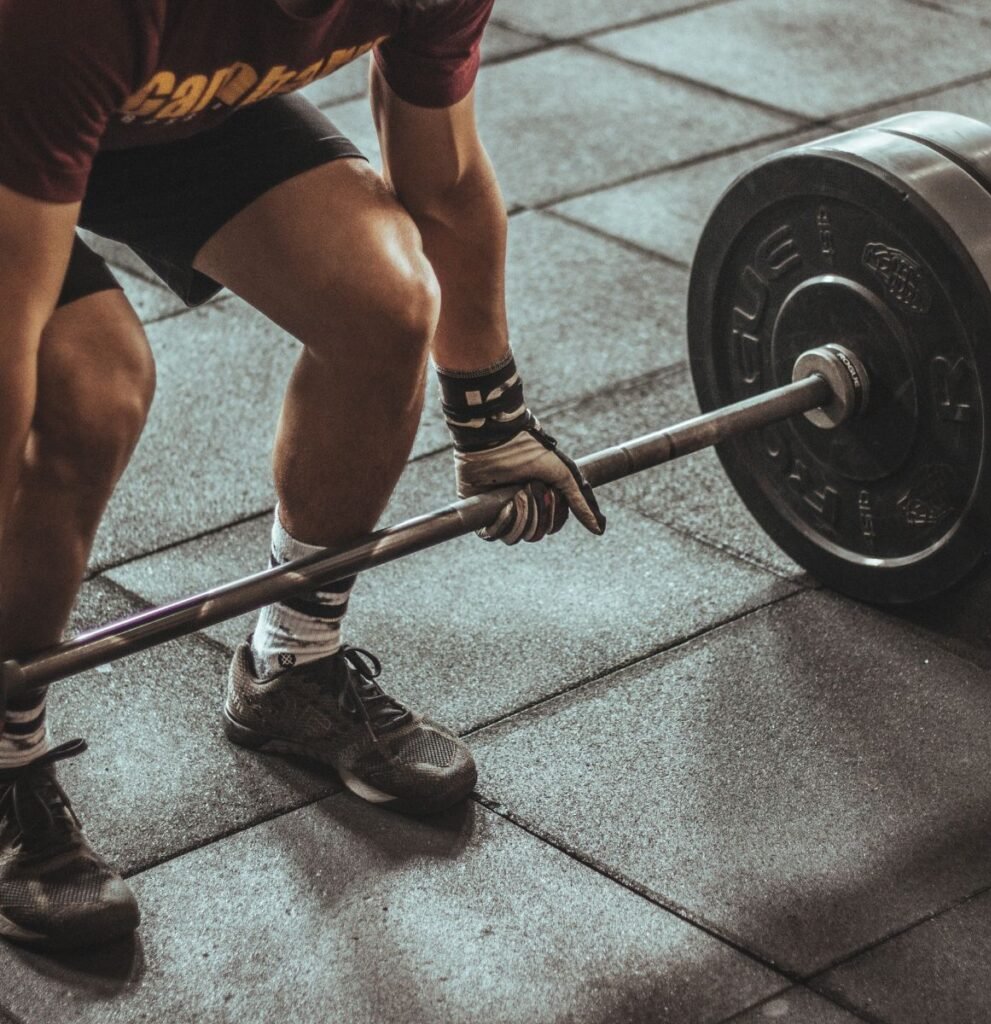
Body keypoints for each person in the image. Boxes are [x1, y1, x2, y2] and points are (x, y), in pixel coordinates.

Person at [0, 0, 605, 950]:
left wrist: (491, 421)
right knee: (90, 387)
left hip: (150, 109)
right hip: (26, 91)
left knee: (385, 300)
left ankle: (292, 665)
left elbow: (439, 187)